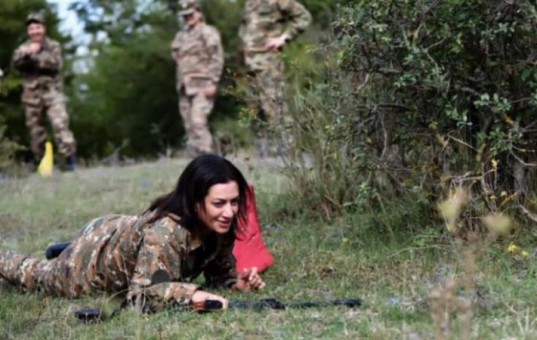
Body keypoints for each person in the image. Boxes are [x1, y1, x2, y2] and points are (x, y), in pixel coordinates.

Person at [0, 154, 265, 312]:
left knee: (136, 249)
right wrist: (192, 296)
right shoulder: (165, 233)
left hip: (119, 231)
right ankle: (56, 254)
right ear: (196, 202)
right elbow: (141, 296)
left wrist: (236, 284)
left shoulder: (219, 222)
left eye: (234, 201)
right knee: (34, 273)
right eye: (219, 203)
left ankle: (64, 248)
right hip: (89, 264)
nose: (230, 212)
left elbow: (219, 274)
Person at [239, 0, 311, 156]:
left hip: (269, 64)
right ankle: (263, 152)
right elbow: (245, 29)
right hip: (251, 65)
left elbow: (303, 17)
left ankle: (288, 151)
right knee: (255, 109)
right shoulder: (249, 4)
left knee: (276, 104)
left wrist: (284, 38)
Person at [11, 13, 77, 171]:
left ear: (44, 29)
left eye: (38, 27)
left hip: (52, 93)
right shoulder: (23, 48)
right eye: (31, 28)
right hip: (31, 95)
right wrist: (27, 55)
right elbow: (15, 64)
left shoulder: (53, 46)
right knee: (35, 131)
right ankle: (41, 162)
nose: (35, 31)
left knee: (60, 124)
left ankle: (69, 161)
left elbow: (54, 64)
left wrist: (33, 57)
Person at [171, 0, 224, 157]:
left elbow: (217, 57)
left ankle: (208, 157)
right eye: (185, 16)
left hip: (203, 84)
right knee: (189, 126)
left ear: (199, 13)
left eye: (191, 14)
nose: (188, 18)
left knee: (198, 121)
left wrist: (213, 82)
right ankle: (197, 161)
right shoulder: (181, 36)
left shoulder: (207, 32)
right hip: (185, 86)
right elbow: (176, 56)